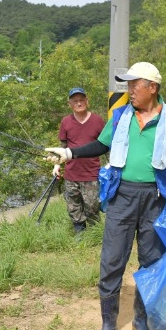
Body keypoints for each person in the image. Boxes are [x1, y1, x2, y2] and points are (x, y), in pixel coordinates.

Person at [44, 62, 166, 330]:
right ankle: (108, 323)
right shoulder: (120, 118)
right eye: (127, 85)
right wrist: (68, 153)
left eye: (134, 85)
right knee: (112, 260)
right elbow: (100, 146)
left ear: (152, 88)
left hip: (157, 198)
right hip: (122, 197)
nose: (129, 91)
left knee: (151, 262)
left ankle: (140, 320)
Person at [57, 87, 106, 234]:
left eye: (81, 100)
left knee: (92, 206)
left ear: (87, 101)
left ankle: (95, 234)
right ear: (70, 104)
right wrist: (56, 166)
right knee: (73, 206)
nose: (79, 103)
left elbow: (106, 145)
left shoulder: (98, 121)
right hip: (71, 174)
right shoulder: (66, 122)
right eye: (75, 101)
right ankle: (79, 231)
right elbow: (62, 148)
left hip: (91, 173)